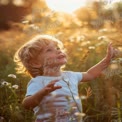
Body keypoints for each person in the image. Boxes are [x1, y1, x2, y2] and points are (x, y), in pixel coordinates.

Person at [14, 35, 117, 122]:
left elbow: (90, 74)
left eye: (58, 48)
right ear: (36, 63)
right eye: (49, 50)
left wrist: (107, 60)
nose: (58, 51)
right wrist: (42, 92)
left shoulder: (71, 75)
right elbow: (26, 104)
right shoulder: (38, 81)